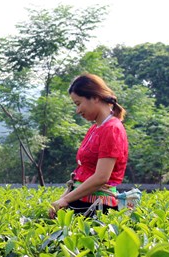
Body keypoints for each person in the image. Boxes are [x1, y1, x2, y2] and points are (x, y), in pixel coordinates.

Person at [49, 73, 128, 218]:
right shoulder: (95, 128)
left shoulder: (112, 129)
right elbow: (82, 172)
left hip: (97, 207)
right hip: (82, 203)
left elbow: (101, 177)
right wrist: (62, 199)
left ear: (95, 97)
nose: (77, 111)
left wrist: (65, 199)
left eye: (78, 103)